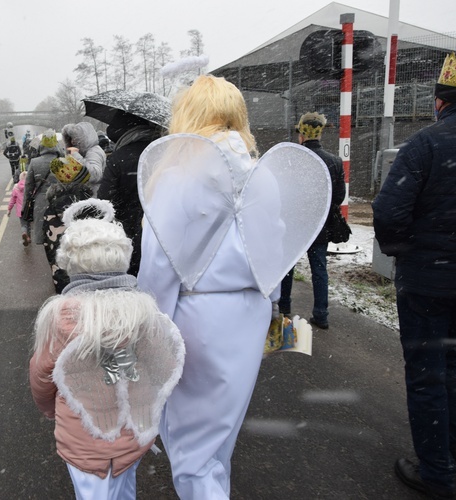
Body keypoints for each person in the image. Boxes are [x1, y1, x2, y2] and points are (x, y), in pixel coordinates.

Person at [137, 74, 329, 498]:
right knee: (218, 438)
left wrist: (149, 326)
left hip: (197, 317)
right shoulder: (261, 175)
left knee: (191, 450)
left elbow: (159, 261)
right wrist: (273, 305)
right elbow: (273, 249)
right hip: (249, 312)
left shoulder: (178, 175)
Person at [373, 52, 456, 499]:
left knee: (427, 370)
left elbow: (388, 212)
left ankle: (436, 472)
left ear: (440, 100)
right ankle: (455, 447)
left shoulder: (426, 144)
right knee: (453, 358)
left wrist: (405, 251)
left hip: (428, 281)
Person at [29, 199, 185, 500]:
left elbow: (42, 374)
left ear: (70, 262)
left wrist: (49, 409)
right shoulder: (144, 313)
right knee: (125, 490)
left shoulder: (61, 317)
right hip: (131, 434)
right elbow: (163, 364)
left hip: (82, 438)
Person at [278, 112, 346, 329]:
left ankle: (284, 308)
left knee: (288, 267)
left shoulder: (291, 159)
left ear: (301, 134)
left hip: (294, 224)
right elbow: (338, 197)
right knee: (319, 269)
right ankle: (321, 314)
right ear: (320, 133)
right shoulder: (334, 162)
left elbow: (282, 193)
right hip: (319, 225)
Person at [97, 111, 164, 276]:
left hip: (129, 234)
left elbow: (105, 202)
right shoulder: (165, 152)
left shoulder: (119, 158)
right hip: (162, 234)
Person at [43, 155, 93, 293]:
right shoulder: (91, 206)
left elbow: (50, 247)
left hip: (63, 276)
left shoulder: (52, 208)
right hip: (90, 274)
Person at [22, 130, 60, 250]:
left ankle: (50, 257)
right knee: (60, 235)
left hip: (41, 203)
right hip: (59, 201)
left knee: (45, 236)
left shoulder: (34, 162)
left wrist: (25, 206)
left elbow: (28, 187)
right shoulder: (63, 162)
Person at [62, 122, 107, 196]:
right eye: (71, 138)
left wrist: (75, 155)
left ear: (84, 138)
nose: (73, 141)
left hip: (92, 197)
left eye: (75, 138)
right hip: (87, 196)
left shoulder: (94, 151)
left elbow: (95, 175)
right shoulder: (84, 152)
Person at [7, 171, 30, 246]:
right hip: (29, 209)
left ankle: (24, 233)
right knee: (28, 223)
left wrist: (9, 209)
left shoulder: (16, 187)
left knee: (23, 224)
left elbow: (12, 200)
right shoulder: (30, 186)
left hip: (20, 210)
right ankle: (28, 237)